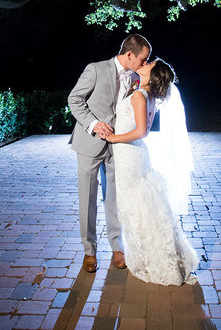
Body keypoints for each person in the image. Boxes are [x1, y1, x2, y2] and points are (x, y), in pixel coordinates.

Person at [105, 58, 199, 285]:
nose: (145, 62)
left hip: (129, 153)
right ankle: (155, 254)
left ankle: (154, 259)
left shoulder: (139, 95)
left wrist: (113, 137)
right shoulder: (149, 96)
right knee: (142, 207)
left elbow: (141, 132)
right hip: (135, 155)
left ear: (152, 73)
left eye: (149, 63)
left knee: (135, 208)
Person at [68, 34, 151, 273]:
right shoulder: (94, 69)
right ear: (129, 55)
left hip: (118, 147)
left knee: (115, 198)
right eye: (143, 58)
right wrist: (93, 124)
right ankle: (89, 251)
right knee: (88, 199)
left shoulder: (137, 77)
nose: (145, 63)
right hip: (89, 143)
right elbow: (74, 99)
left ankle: (117, 247)